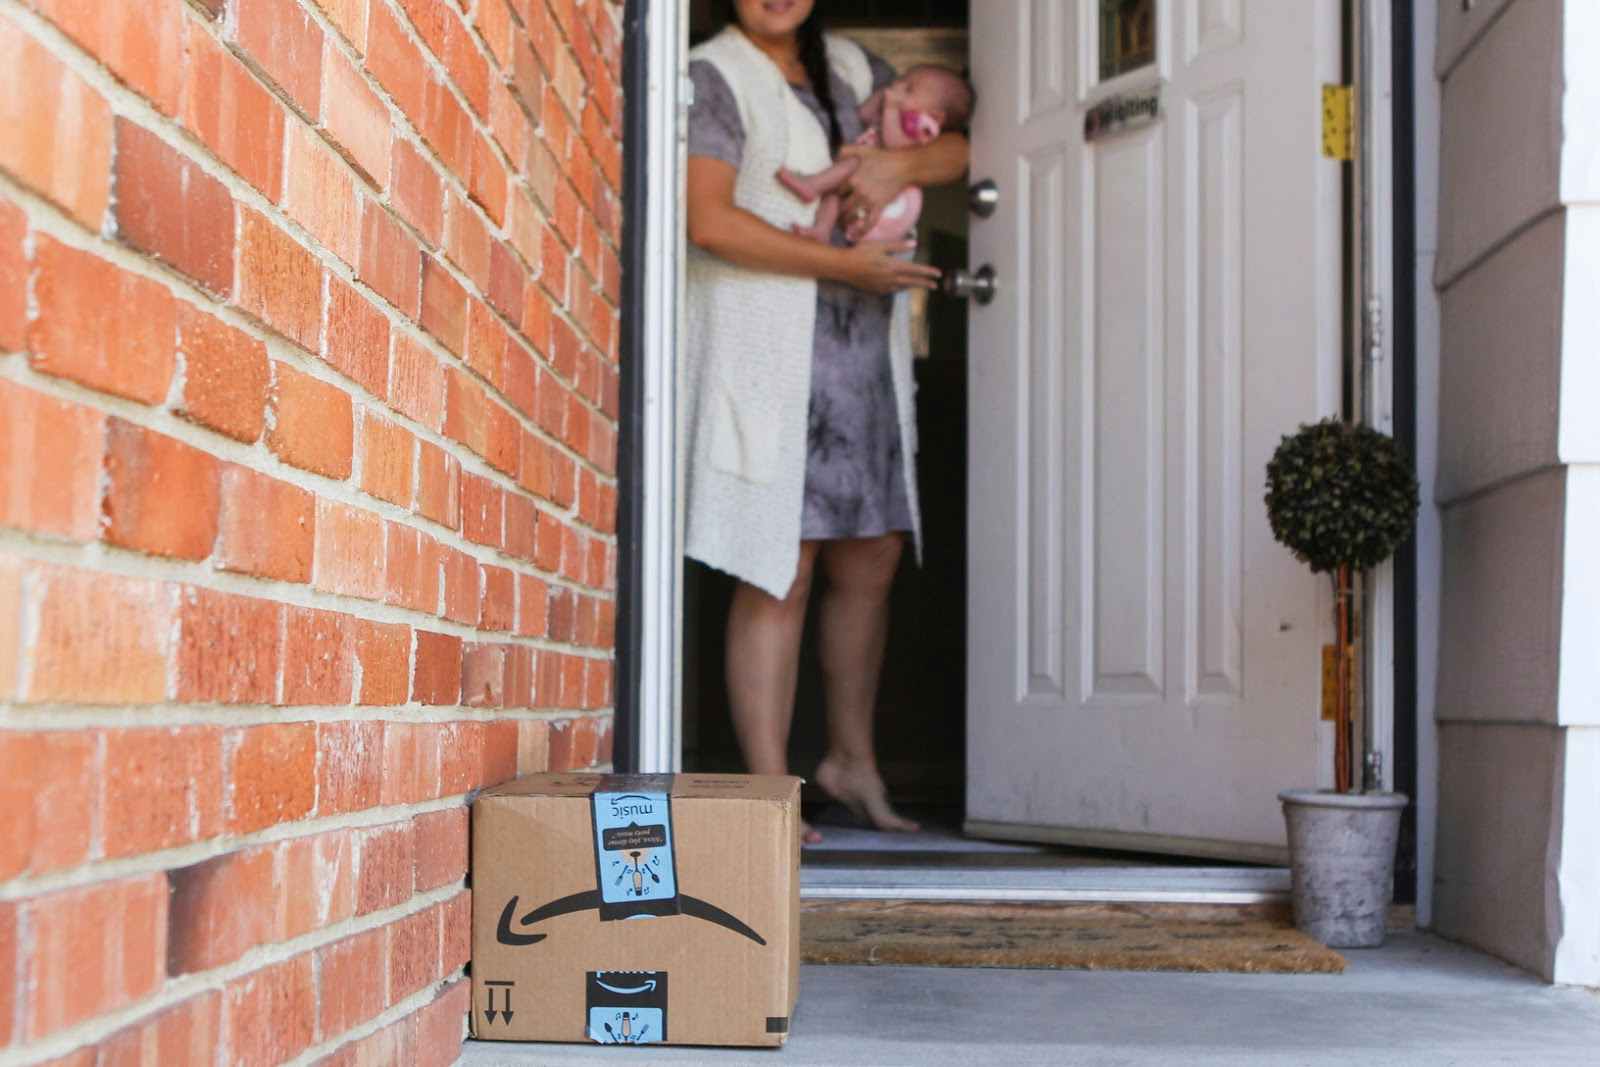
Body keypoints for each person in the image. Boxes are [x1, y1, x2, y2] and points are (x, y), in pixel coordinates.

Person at [684, 0, 969, 844]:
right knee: (781, 564)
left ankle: (853, 760)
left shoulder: (851, 66)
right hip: (772, 358)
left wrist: (896, 167)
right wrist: (844, 262)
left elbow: (963, 145)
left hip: (859, 363)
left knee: (872, 553)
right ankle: (769, 790)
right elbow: (708, 219)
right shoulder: (713, 75)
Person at [779, 63, 975, 243]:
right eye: (902, 79)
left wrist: (891, 106)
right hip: (858, 177)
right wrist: (881, 97)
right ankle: (821, 230)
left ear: (935, 115)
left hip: (888, 202)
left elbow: (893, 144)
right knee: (834, 195)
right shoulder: (898, 110)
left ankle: (812, 184)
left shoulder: (922, 131)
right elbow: (862, 115)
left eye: (909, 88)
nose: (898, 86)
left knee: (854, 163)